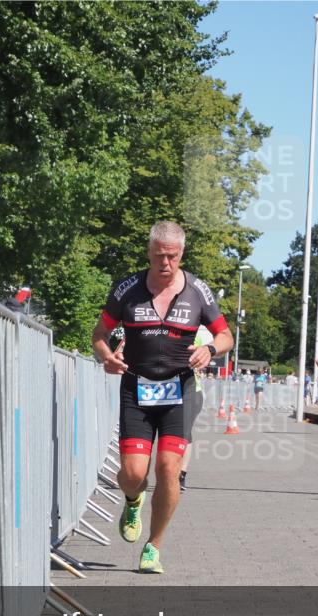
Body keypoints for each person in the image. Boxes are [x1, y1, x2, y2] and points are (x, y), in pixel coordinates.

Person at [92, 221, 233, 573]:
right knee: (132, 472)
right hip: (137, 387)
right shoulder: (127, 289)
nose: (165, 264)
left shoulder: (199, 291)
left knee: (169, 468)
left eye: (171, 256)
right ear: (149, 252)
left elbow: (227, 335)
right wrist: (105, 357)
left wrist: (212, 349)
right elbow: (99, 334)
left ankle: (154, 546)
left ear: (181, 253)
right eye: (158, 256)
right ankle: (132, 498)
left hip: (179, 389)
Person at [179, 325, 214, 492]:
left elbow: (218, 347)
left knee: (184, 433)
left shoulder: (200, 332)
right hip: (162, 391)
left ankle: (181, 474)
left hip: (192, 391)